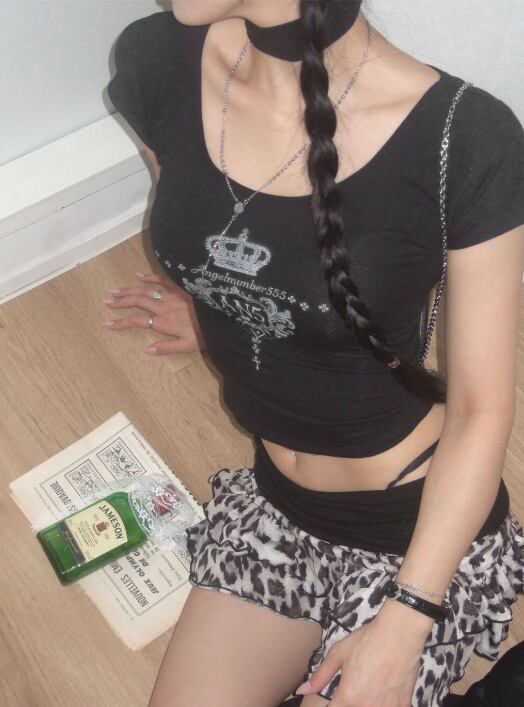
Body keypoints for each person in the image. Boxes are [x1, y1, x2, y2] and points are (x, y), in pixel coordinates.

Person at [104, 1, 524, 705]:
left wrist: (406, 618)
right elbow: (210, 225)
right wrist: (221, 306)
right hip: (277, 504)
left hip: (415, 529)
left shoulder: (466, 138)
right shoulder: (158, 57)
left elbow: (483, 409)